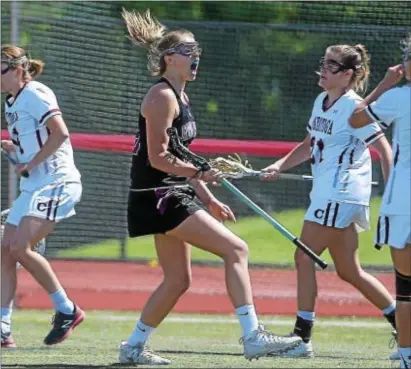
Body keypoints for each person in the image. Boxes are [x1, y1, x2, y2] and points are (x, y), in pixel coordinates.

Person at [120, 8, 302, 365]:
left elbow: (181, 154)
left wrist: (209, 197)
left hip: (171, 192)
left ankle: (132, 348)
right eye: (189, 51)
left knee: (177, 280)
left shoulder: (181, 96)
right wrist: (201, 176)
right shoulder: (162, 97)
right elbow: (157, 159)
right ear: (169, 59)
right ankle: (252, 336)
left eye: (197, 51)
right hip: (158, 196)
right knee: (236, 250)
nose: (196, 57)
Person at [261, 44, 397, 358]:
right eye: (324, 62)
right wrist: (279, 166)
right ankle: (404, 325)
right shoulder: (321, 102)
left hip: (341, 193)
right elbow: (309, 144)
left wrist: (389, 198)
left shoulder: (354, 108)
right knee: (349, 271)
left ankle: (300, 339)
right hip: (328, 194)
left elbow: (385, 152)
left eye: (333, 65)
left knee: (303, 257)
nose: (324, 69)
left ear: (348, 75)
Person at [1, 45, 85, 348]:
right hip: (34, 186)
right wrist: (15, 150)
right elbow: (31, 141)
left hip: (56, 181)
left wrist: (30, 163)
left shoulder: (36, 93)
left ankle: (67, 310)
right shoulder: (12, 102)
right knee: (5, 250)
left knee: (21, 247)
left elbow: (60, 133)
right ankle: (3, 328)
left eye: (1, 69)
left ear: (19, 69)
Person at [349, 34, 411, 368]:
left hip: (403, 200)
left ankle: (406, 356)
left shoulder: (399, 96)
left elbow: (356, 117)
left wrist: (385, 84)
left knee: (406, 285)